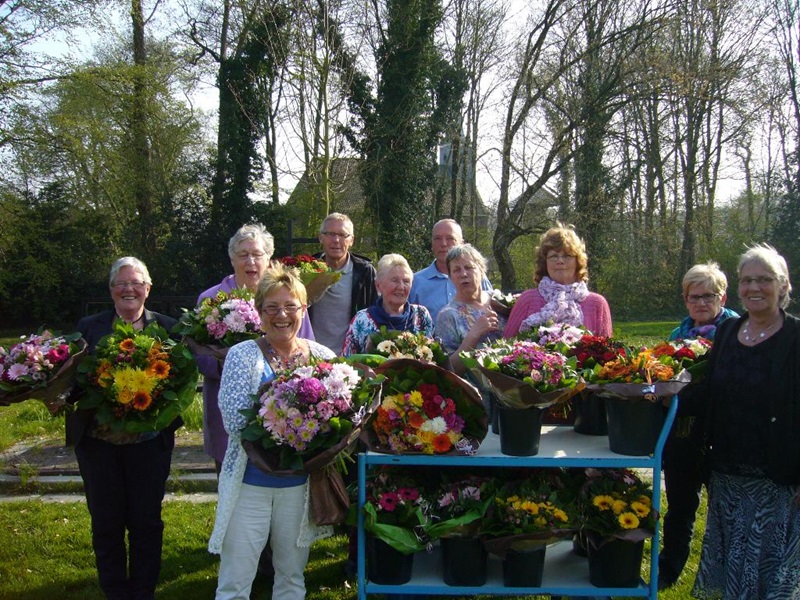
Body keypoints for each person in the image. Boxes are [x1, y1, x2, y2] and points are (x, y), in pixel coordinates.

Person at [209, 265, 335, 600]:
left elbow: (341, 416)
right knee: (235, 580)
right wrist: (290, 426)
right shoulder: (242, 355)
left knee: (292, 577)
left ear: (303, 311)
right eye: (272, 307)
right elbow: (234, 421)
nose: (282, 315)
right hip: (251, 485)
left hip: (299, 487)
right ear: (259, 312)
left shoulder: (323, 357)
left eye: (291, 306)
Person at [682, 244, 800, 599]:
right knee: (734, 574)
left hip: (777, 479)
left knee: (771, 576)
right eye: (747, 280)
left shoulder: (796, 338)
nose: (754, 288)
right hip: (727, 475)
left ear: (782, 285)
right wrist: (660, 392)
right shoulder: (730, 332)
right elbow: (708, 394)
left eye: (764, 279)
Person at [68, 257, 179, 600]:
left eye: (136, 283)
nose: (129, 289)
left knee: (147, 520)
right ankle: (115, 590)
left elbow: (179, 380)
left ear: (148, 288)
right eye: (121, 283)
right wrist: (55, 395)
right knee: (106, 520)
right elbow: (70, 377)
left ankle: (144, 589)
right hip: (98, 442)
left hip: (149, 443)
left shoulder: (168, 328)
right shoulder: (88, 327)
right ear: (111, 290)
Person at [196, 224, 314, 472]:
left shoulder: (290, 297)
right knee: (232, 474)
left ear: (269, 259)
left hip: (284, 403)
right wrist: (230, 363)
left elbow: (308, 348)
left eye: (258, 254)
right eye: (243, 254)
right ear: (231, 259)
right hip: (226, 404)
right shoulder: (211, 299)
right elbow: (198, 355)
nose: (251, 261)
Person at [658, 262, 739, 589]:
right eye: (694, 297)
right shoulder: (678, 335)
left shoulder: (736, 332)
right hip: (683, 434)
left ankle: (730, 572)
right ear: (685, 299)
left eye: (709, 296)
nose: (701, 303)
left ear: (723, 296)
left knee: (728, 511)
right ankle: (668, 568)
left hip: (724, 434)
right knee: (679, 508)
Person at [503, 223, 612, 338]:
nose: (560, 261)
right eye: (554, 256)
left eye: (567, 256)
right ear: (545, 263)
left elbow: (606, 351)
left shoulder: (597, 304)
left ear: (578, 261)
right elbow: (506, 347)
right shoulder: (527, 300)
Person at [308, 212, 378, 354]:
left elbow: (374, 315)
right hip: (311, 355)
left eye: (342, 235)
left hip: (351, 358)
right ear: (321, 237)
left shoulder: (364, 273)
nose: (336, 240)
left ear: (351, 240)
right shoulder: (306, 269)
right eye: (330, 234)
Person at [342, 253, 434, 356]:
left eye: (406, 281)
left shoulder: (421, 315)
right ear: (378, 285)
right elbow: (347, 363)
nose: (401, 287)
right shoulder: (362, 320)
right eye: (394, 280)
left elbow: (432, 356)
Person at [437, 244, 506, 374]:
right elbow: (449, 370)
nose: (463, 274)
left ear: (482, 271)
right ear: (450, 277)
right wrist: (473, 335)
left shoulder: (501, 300)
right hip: (475, 392)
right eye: (456, 270)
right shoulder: (448, 315)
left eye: (469, 267)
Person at [409, 219, 492, 324]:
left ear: (462, 243)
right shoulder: (415, 282)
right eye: (437, 238)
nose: (443, 244)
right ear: (432, 244)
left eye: (450, 238)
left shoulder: (478, 278)